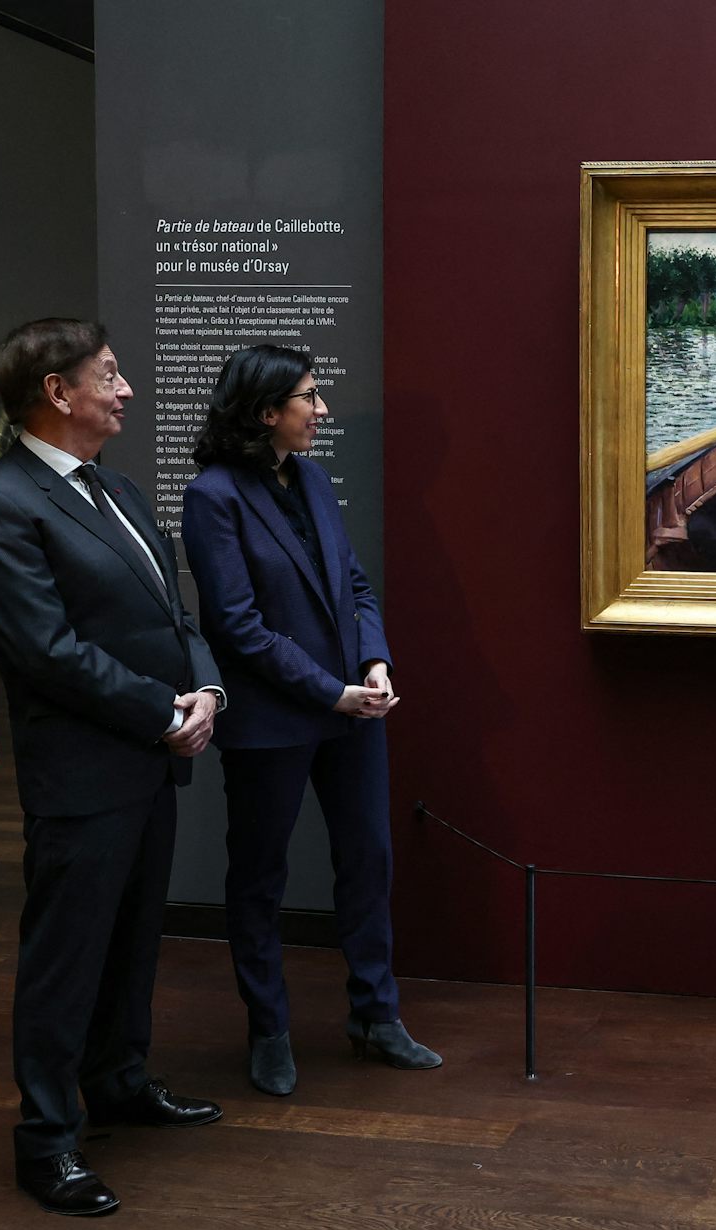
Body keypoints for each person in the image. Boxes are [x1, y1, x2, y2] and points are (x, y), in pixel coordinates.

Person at [0, 318, 227, 1218]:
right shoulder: (0, 505)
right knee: (64, 962)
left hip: (150, 761)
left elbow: (172, 614)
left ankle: (118, 1084)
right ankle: (45, 1141)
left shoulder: (119, 489)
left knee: (132, 940)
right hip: (83, 774)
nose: (127, 391)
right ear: (56, 394)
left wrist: (206, 693)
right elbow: (45, 651)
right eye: (109, 376)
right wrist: (162, 713)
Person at [181, 345, 439, 1098]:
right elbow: (236, 628)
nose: (323, 410)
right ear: (268, 413)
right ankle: (268, 1031)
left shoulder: (315, 479)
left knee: (369, 860)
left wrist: (375, 662)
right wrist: (330, 691)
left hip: (354, 708)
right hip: (274, 720)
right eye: (310, 397)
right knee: (259, 877)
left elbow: (354, 583)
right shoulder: (212, 496)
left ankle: (376, 1017)